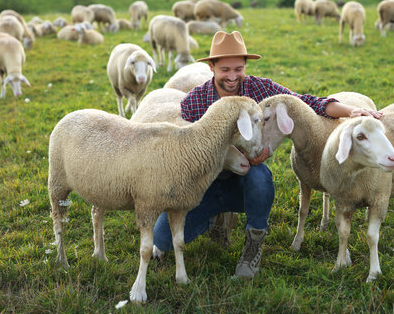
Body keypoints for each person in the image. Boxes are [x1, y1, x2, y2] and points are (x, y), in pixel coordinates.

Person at [153, 31, 382, 279]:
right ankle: (213, 219)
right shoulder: (194, 102)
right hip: (204, 184)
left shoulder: (259, 88)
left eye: (238, 69)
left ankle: (253, 246)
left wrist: (352, 111)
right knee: (161, 239)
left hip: (245, 179)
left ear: (245, 67)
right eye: (225, 69)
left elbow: (306, 102)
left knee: (261, 178)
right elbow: (186, 148)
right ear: (212, 67)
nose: (232, 76)